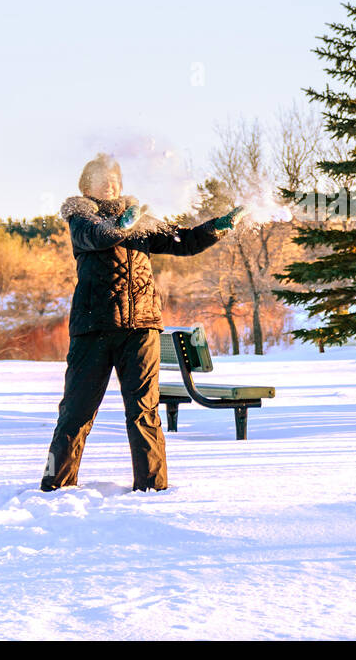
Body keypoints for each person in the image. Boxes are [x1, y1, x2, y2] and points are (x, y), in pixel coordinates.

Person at [40, 153, 243, 492]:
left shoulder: (140, 221)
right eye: (102, 178)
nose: (110, 183)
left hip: (141, 328)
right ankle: (55, 484)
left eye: (115, 178)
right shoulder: (80, 217)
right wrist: (123, 225)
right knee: (76, 413)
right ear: (86, 186)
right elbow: (100, 236)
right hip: (93, 330)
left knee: (144, 413)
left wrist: (216, 227)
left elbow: (185, 241)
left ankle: (151, 487)